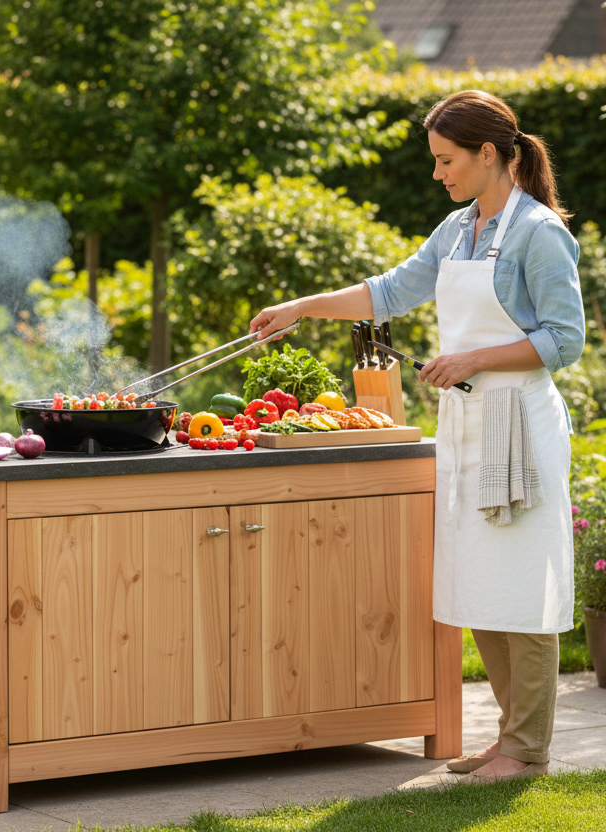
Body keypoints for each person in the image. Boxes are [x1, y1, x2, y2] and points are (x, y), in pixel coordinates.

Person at [249, 90, 585, 783]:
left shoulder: (538, 233)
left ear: (488, 154)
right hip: (468, 426)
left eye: (446, 160)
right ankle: (508, 738)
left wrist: (473, 359)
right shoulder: (460, 230)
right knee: (483, 583)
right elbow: (392, 290)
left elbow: (565, 339)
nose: (438, 174)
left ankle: (529, 752)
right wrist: (301, 309)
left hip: (518, 423)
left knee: (519, 586)